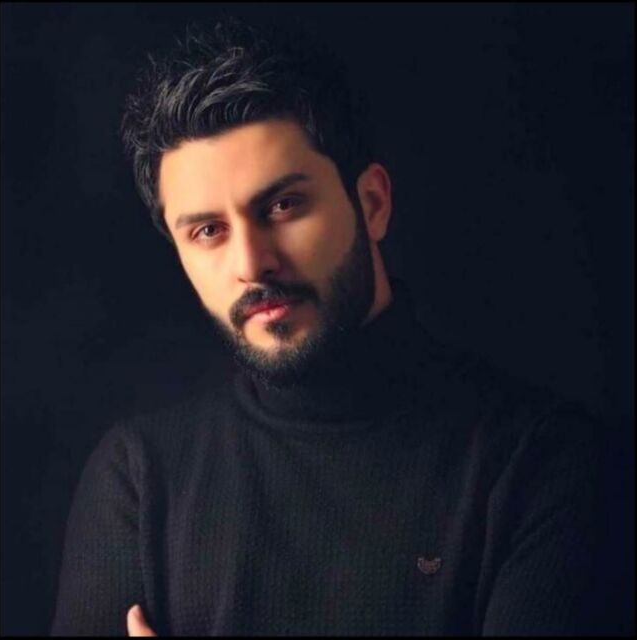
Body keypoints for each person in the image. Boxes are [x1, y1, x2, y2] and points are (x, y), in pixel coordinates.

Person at [51, 17, 603, 636]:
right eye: (208, 230)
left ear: (372, 204)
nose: (251, 262)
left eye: (283, 206)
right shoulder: (138, 478)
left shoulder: (540, 464)